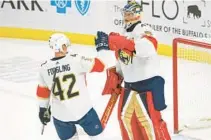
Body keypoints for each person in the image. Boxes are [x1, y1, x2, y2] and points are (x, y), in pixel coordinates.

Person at [94, 0, 171, 140]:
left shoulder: (144, 29)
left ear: (137, 15)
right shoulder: (124, 33)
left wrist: (116, 41)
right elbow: (124, 60)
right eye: (125, 14)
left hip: (147, 84)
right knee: (126, 121)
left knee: (151, 123)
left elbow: (147, 49)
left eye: (129, 14)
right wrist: (117, 75)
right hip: (129, 86)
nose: (126, 17)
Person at [36, 33, 105, 140]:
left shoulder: (44, 68)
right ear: (61, 46)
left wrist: (43, 110)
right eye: (65, 45)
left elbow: (42, 92)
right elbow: (101, 66)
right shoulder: (76, 60)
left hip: (61, 117)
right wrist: (101, 49)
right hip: (83, 111)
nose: (67, 47)